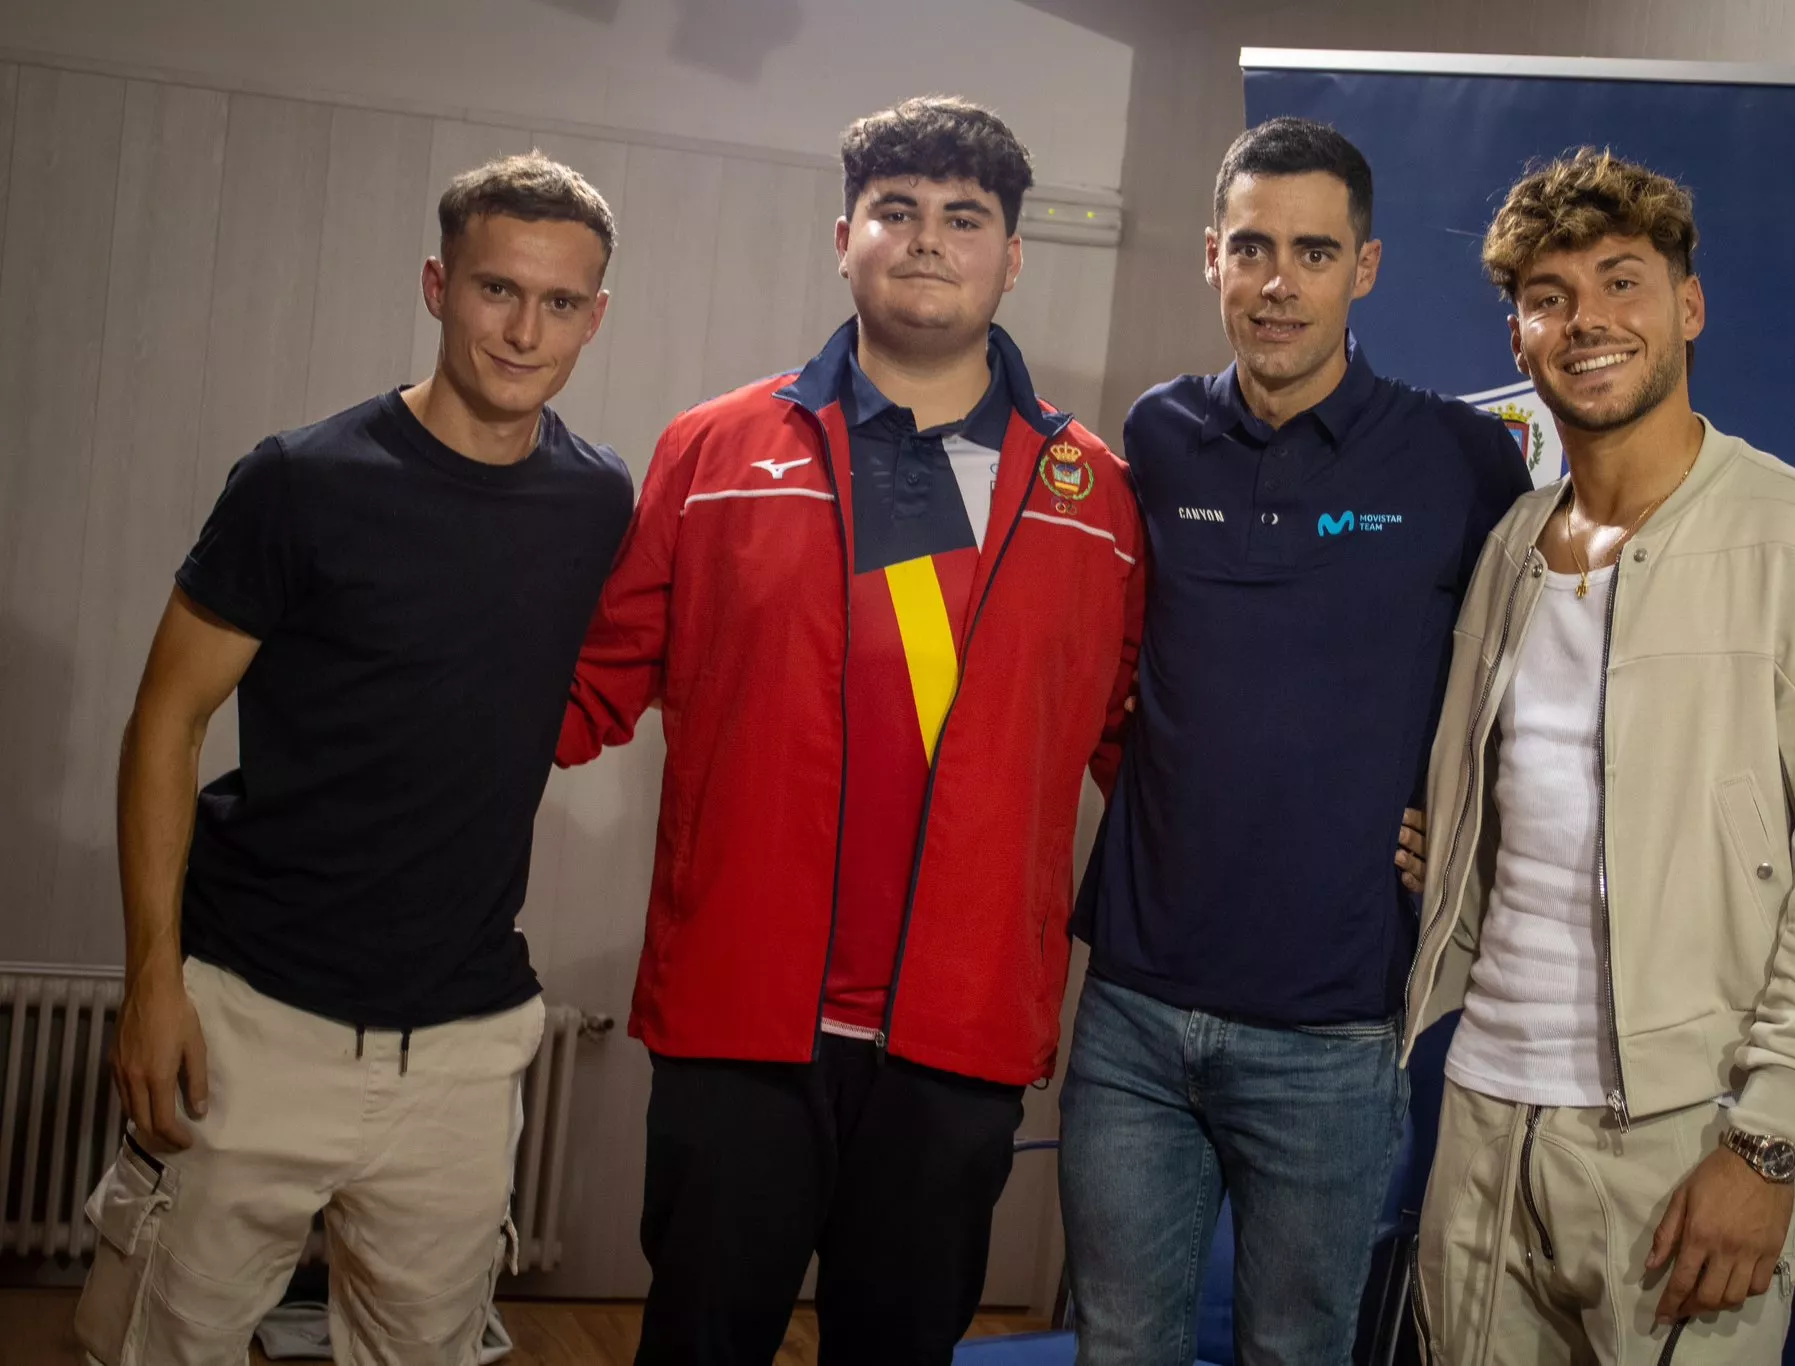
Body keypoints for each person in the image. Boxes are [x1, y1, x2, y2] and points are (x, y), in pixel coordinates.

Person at [554, 96, 1143, 1366]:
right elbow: (586, 689)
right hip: (740, 1022)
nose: (928, 240)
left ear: (1011, 255)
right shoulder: (709, 451)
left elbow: (1145, 752)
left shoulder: (1092, 496)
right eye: (898, 211)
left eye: (964, 218)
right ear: (843, 237)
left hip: (958, 1033)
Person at [74, 153, 632, 1366]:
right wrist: (154, 980)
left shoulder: (598, 502)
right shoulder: (302, 480)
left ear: (597, 315)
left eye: (560, 302)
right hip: (252, 1018)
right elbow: (163, 723)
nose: (523, 329)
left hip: (464, 1043)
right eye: (496, 290)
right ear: (438, 286)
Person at [1405, 147, 1795, 1365]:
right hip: (1483, 1117)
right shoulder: (1506, 549)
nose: (1585, 318)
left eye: (1620, 281)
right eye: (1549, 295)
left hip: (1687, 1139)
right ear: (1517, 336)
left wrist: (1769, 1137)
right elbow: (1513, 792)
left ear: (1685, 307)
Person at [1059, 117, 1530, 1364]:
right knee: (1118, 1343)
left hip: (1330, 1032)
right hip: (1133, 1018)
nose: (1278, 283)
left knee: (1296, 1353)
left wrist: (1469, 829)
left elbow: (1535, 683)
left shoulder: (1464, 458)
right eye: (1252, 249)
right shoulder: (1153, 436)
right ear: (1211, 256)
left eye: (1313, 253)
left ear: (1362, 269)